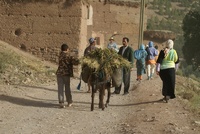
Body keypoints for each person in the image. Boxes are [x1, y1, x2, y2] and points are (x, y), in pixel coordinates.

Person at [56, 43, 79, 108]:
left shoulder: (60, 55)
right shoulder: (68, 56)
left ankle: (61, 102)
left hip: (59, 73)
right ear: (67, 49)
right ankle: (69, 102)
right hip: (66, 74)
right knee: (67, 88)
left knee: (60, 88)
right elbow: (76, 62)